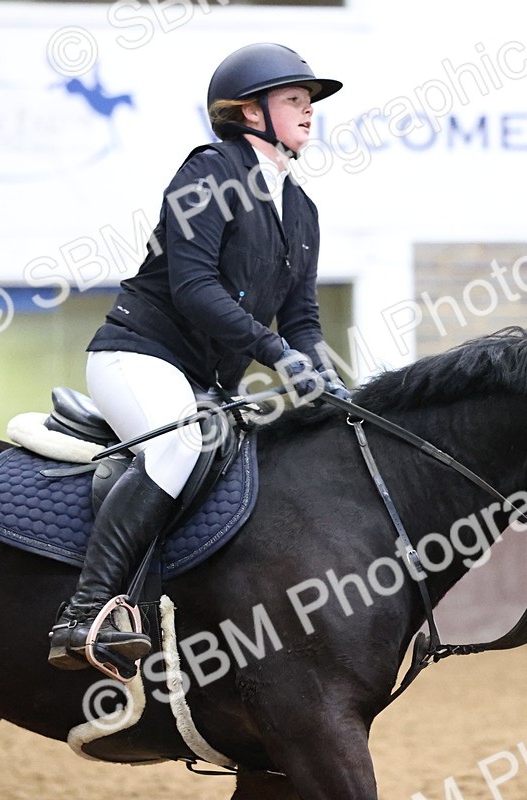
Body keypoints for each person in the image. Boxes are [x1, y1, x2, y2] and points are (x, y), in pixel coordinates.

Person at [48, 42, 349, 672]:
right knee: (180, 441)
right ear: (248, 112)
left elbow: (301, 319)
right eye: (294, 100)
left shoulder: (301, 210)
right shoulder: (207, 174)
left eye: (309, 102)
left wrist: (334, 381)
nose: (308, 112)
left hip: (208, 379)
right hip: (138, 355)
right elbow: (195, 289)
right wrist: (276, 355)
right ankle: (85, 613)